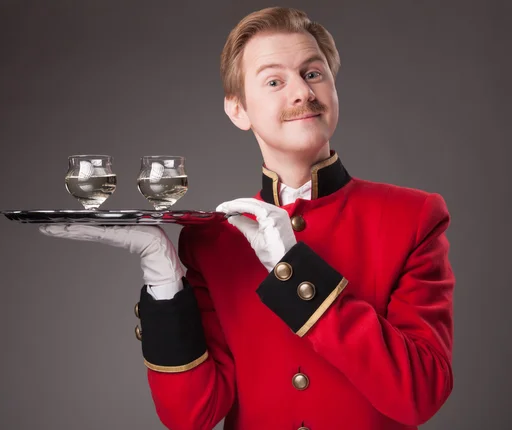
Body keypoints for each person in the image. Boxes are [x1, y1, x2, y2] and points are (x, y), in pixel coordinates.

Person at [40, 6, 454, 430]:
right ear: (237, 110)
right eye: (275, 81)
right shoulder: (211, 242)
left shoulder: (414, 217)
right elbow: (192, 416)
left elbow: (420, 395)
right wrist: (163, 280)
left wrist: (294, 275)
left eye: (313, 73)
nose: (303, 93)